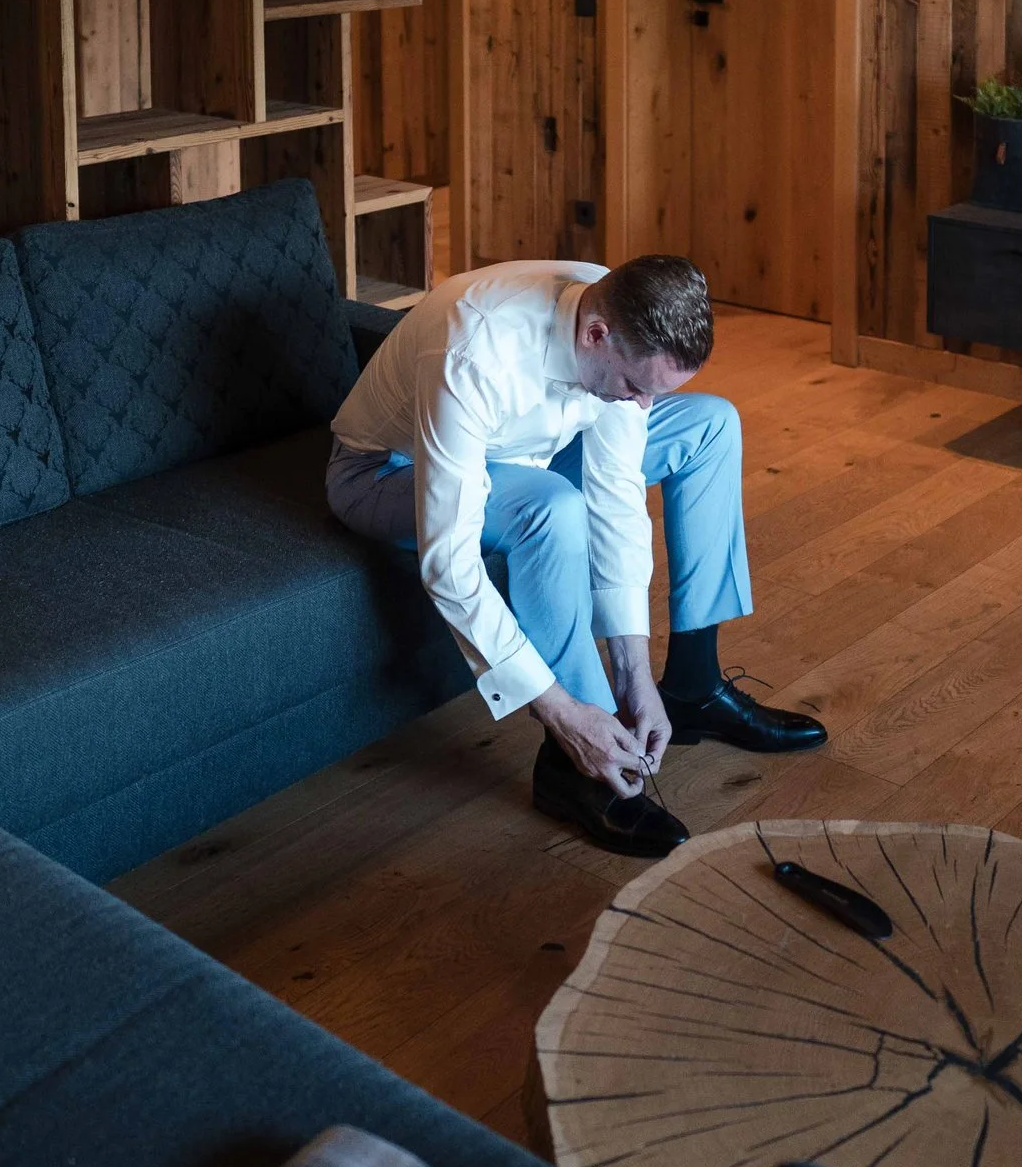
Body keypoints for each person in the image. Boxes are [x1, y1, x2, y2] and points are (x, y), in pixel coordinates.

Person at [326, 255, 826, 857]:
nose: (644, 405)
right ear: (596, 335)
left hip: (530, 452)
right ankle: (575, 763)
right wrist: (559, 710)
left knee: (710, 425)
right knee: (552, 507)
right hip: (387, 470)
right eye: (639, 388)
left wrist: (634, 673)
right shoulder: (474, 346)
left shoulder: (614, 317)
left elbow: (615, 497)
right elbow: (449, 561)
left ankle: (692, 687)